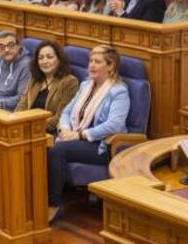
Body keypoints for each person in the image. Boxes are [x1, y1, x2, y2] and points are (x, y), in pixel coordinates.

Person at [47, 45, 130, 221]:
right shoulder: (86, 85)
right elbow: (67, 112)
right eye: (90, 61)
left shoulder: (119, 91)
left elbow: (114, 125)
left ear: (111, 66)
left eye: (97, 62)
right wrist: (64, 129)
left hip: (102, 146)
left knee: (56, 150)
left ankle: (54, 205)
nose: (91, 65)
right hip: (76, 137)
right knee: (42, 143)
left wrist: (79, 135)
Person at [15, 40, 80, 133]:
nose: (44, 61)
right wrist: (13, 121)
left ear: (59, 59)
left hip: (48, 132)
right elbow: (22, 105)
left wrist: (33, 128)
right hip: (27, 127)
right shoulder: (35, 79)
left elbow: (60, 116)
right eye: (40, 58)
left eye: (50, 57)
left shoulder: (69, 82)